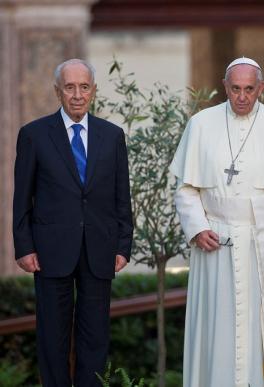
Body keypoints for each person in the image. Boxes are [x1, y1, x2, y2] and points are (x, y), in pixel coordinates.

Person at [169, 57, 264, 387]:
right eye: (235, 89)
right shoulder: (200, 125)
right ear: (225, 88)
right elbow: (185, 187)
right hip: (217, 242)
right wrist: (197, 228)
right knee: (221, 328)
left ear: (261, 89)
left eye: (249, 89)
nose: (242, 96)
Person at [12, 58, 133, 387]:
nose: (77, 94)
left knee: (95, 337)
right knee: (52, 336)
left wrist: (124, 245)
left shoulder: (112, 136)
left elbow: (122, 196)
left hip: (100, 249)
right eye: (70, 87)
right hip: (50, 251)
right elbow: (22, 197)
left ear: (94, 90)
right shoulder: (34, 135)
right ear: (58, 91)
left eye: (84, 87)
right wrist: (24, 246)